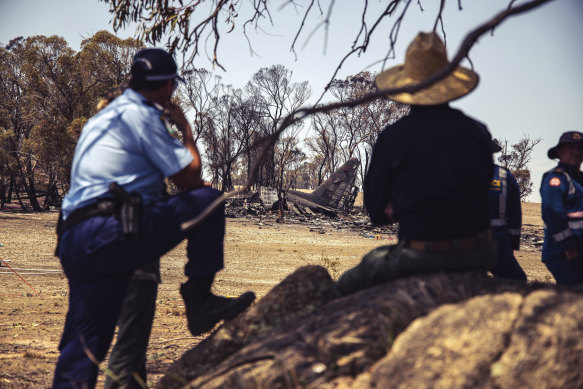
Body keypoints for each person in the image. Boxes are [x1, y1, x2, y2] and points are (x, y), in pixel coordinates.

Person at [52, 48, 255, 388]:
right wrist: (186, 128)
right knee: (209, 199)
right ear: (166, 87)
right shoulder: (141, 115)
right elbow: (189, 179)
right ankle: (199, 300)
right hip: (111, 231)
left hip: (74, 241)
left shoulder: (101, 119)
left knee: (83, 346)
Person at [336, 32, 497, 296]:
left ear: (408, 85)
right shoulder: (478, 131)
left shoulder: (393, 138)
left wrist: (402, 206)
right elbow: (482, 187)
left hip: (422, 256)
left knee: (347, 283)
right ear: (447, 82)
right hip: (481, 252)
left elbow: (376, 213)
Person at [540, 131, 583, 285]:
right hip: (563, 253)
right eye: (571, 148)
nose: (576, 152)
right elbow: (552, 214)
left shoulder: (580, 180)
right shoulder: (556, 178)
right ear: (559, 152)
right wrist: (569, 249)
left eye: (580, 148)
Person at [488, 141, 527, 281]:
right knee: (517, 281)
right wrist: (512, 245)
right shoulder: (504, 176)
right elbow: (515, 216)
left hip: (465, 241)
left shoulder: (458, 173)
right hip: (497, 240)